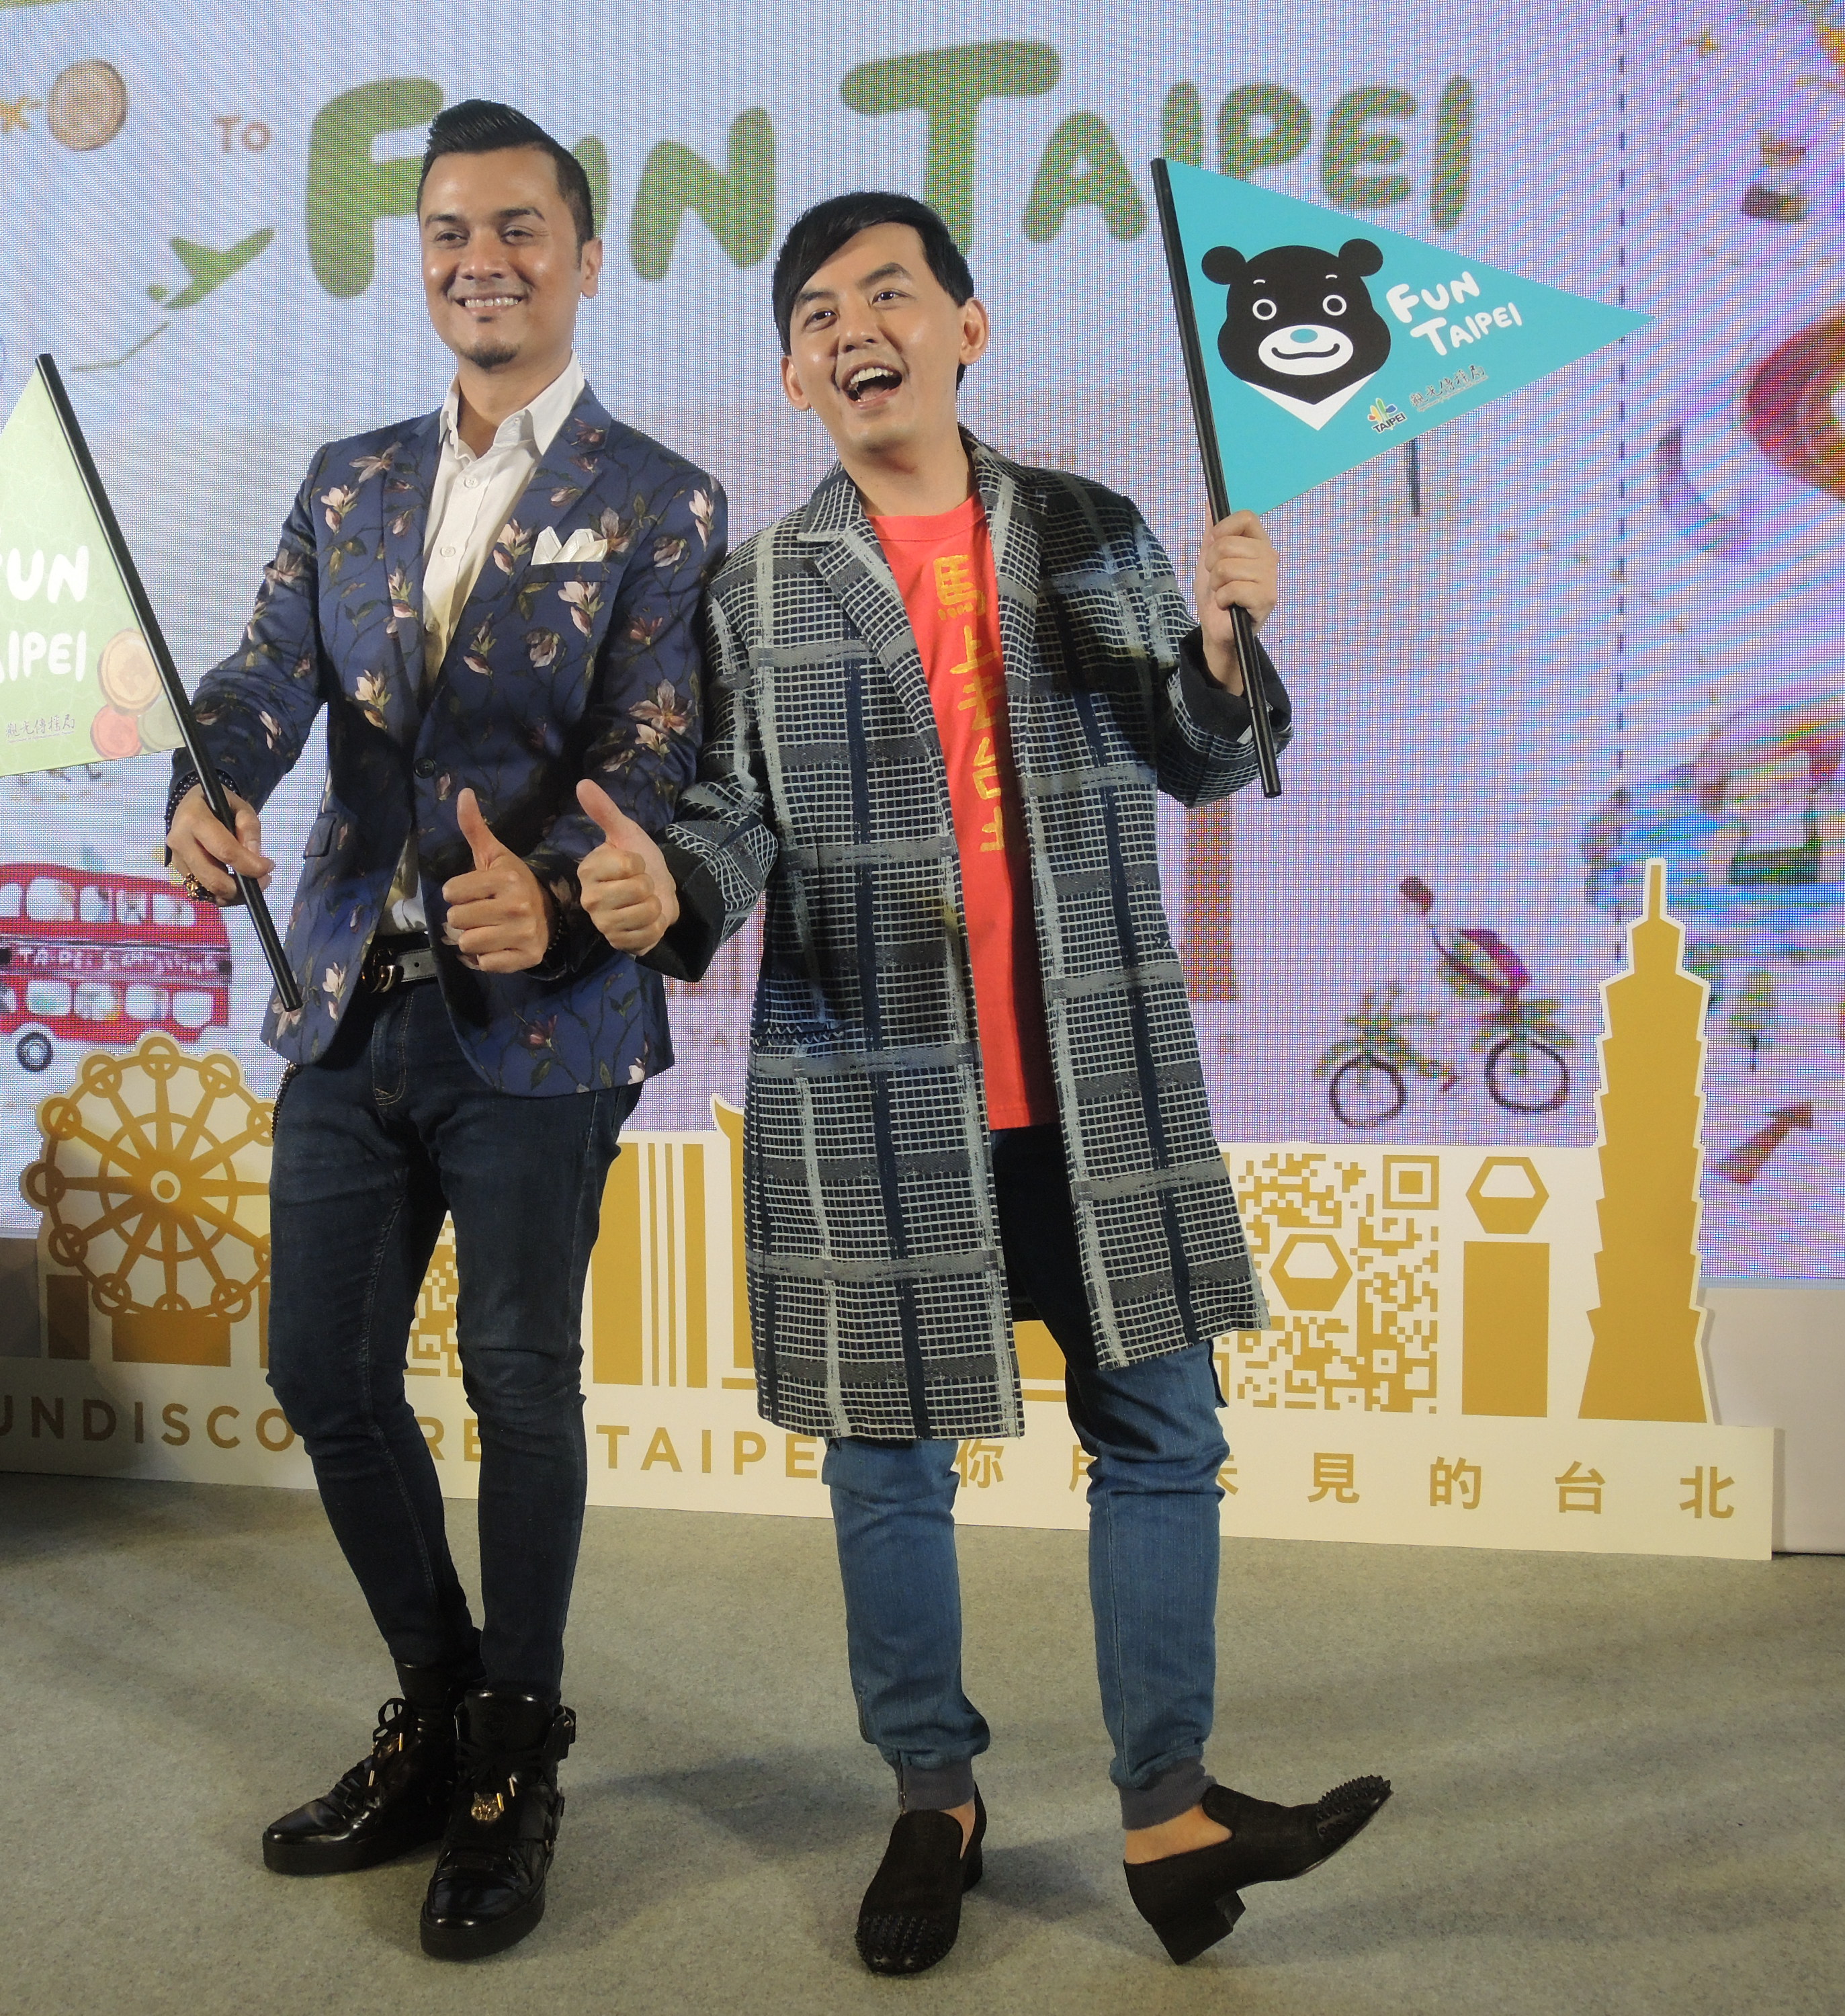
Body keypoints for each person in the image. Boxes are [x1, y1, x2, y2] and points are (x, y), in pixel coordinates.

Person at [573, 191, 1387, 1974]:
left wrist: (1228, 650)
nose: (855, 329)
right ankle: (932, 1798)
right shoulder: (758, 589)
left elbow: (1197, 756)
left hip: (1099, 1079)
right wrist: (658, 894)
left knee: (1163, 1435)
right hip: (867, 1085)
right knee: (889, 1461)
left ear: (967, 327)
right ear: (794, 377)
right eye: (817, 315)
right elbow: (730, 820)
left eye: (890, 293)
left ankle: (1169, 1813)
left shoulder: (1087, 530)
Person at [162, 99, 724, 1962]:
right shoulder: (348, 482)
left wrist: (555, 894)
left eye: (518, 229)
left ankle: (516, 1760)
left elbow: (655, 752)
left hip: (543, 1024)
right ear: (421, 260)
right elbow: (263, 675)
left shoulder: (662, 500)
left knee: (516, 1380)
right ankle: (443, 1706)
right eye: (448, 234)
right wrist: (208, 783)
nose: (482, 261)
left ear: (584, 255)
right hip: (348, 996)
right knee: (321, 1370)